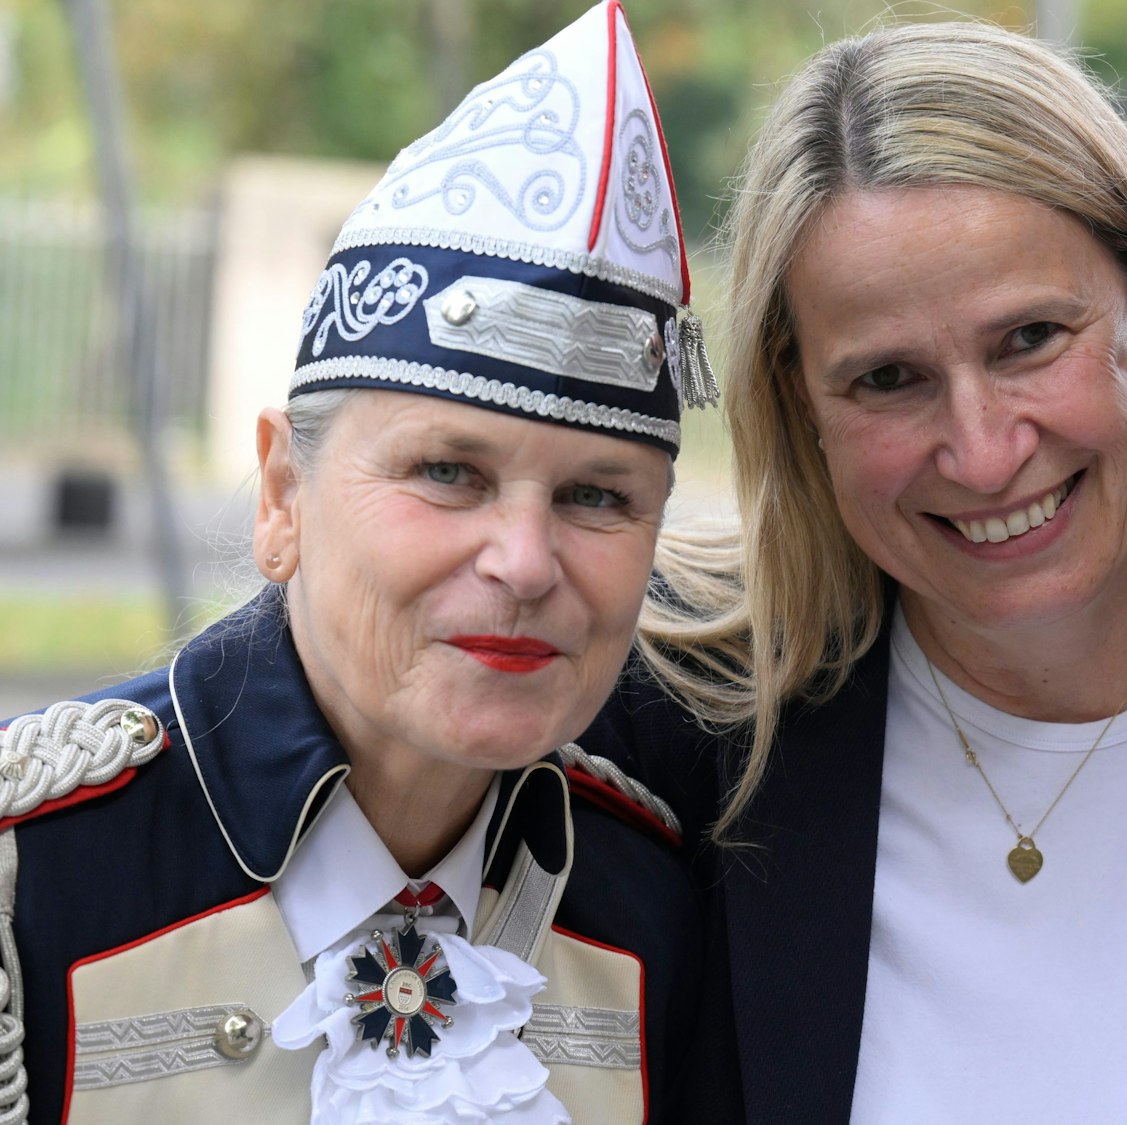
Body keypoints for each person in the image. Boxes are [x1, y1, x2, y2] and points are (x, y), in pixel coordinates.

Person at [584, 20, 1127, 1122]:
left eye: (1029, 339)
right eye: (888, 378)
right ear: (799, 404)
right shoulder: (674, 717)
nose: (985, 450)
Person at [0, 3, 708, 1120]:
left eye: (596, 496)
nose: (524, 562)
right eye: (447, 473)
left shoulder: (659, 906)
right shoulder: (32, 882)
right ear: (283, 496)